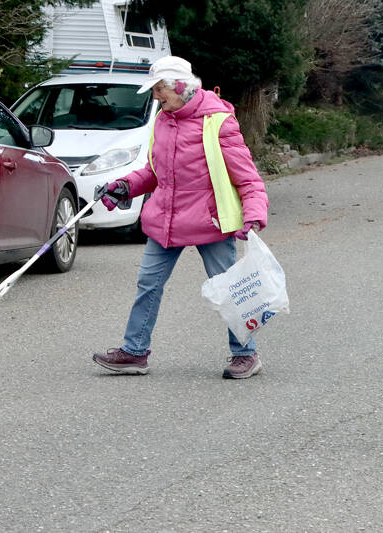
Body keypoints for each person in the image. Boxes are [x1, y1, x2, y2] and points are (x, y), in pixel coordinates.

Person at [92, 56, 269, 379]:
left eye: (160, 89)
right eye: (155, 90)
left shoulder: (217, 120)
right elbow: (154, 171)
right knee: (148, 285)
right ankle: (134, 352)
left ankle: (246, 354)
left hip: (210, 222)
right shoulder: (162, 119)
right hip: (166, 220)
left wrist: (253, 214)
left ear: (182, 87)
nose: (156, 97)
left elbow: (247, 176)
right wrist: (124, 186)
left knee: (230, 289)